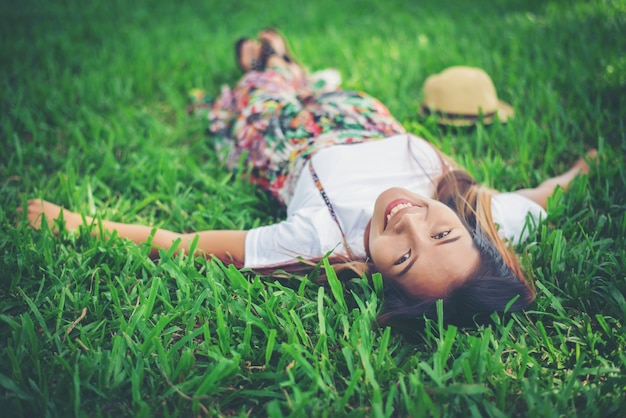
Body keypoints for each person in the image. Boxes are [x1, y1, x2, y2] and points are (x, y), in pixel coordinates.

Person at [22, 29, 596, 327]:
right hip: (358, 112)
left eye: (402, 257)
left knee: (265, 80)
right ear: (471, 233)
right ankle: (293, 68)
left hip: (282, 130)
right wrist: (580, 168)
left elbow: (186, 245)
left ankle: (268, 60)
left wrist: (75, 222)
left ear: (377, 272)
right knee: (315, 84)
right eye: (442, 235)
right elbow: (542, 196)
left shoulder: (320, 238)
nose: (409, 225)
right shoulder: (486, 214)